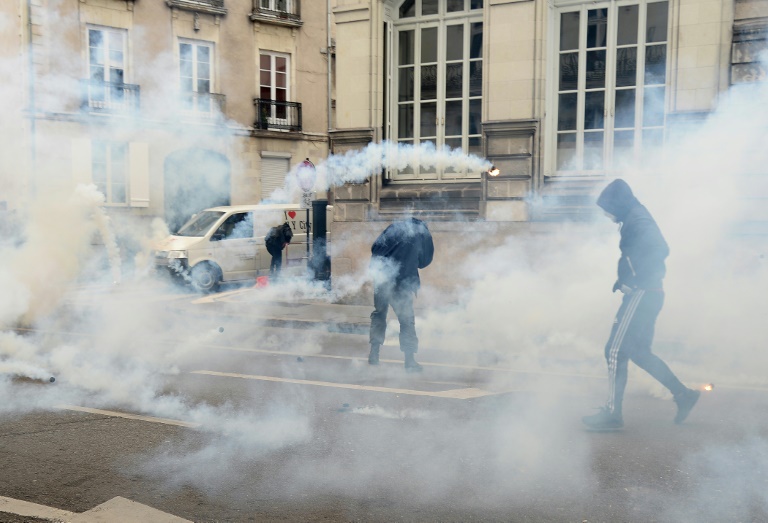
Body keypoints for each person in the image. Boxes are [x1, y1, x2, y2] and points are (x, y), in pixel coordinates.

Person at [582, 179, 700, 430]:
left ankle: (613, 415)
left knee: (614, 350)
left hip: (643, 293)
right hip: (649, 292)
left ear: (618, 203)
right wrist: (626, 278)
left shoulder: (638, 220)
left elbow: (660, 249)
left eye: (607, 208)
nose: (606, 214)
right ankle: (684, 395)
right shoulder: (635, 217)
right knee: (638, 352)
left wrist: (635, 279)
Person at [368, 217, 434, 372]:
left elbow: (375, 248)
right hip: (402, 281)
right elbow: (425, 261)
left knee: (379, 315)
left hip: (381, 279)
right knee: (406, 320)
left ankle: (374, 354)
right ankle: (410, 361)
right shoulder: (422, 232)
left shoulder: (392, 227)